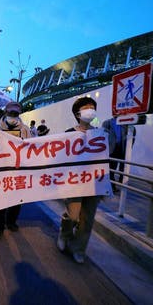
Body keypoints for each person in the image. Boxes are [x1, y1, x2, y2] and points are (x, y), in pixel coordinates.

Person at [56, 97, 101, 264]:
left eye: (92, 107)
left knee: (87, 219)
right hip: (74, 182)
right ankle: (64, 234)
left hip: (93, 182)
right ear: (78, 113)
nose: (90, 110)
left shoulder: (99, 134)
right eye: (86, 107)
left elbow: (105, 156)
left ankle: (79, 248)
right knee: (72, 215)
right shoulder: (68, 134)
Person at [0, 101, 32, 240]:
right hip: (0, 170)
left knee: (16, 199)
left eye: (15, 113)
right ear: (5, 113)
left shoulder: (25, 130)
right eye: (11, 113)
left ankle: (11, 221)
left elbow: (31, 148)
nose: (13, 116)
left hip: (18, 169)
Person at [102, 116, 136, 192]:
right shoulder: (107, 123)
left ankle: (122, 185)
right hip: (112, 150)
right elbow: (103, 136)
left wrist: (129, 148)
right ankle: (112, 186)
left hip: (123, 150)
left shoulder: (126, 122)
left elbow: (133, 135)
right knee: (111, 169)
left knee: (123, 169)